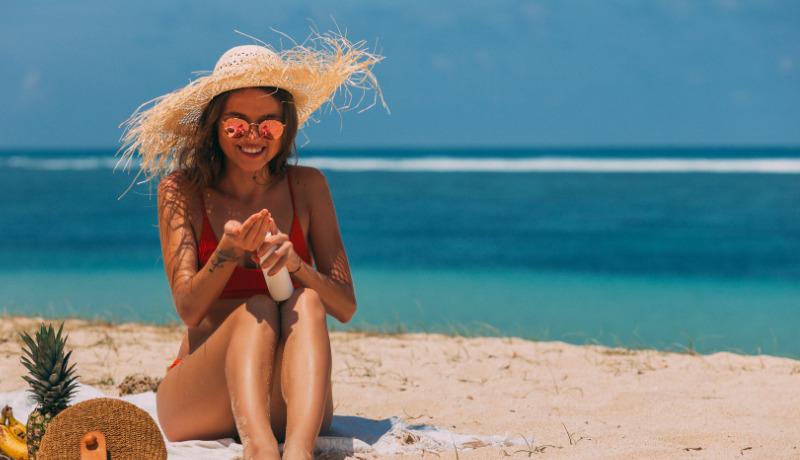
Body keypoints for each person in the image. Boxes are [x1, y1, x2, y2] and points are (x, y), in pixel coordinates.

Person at [119, 33, 384, 460]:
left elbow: (345, 307)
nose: (253, 136)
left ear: (285, 127)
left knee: (310, 303)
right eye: (237, 124)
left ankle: (298, 451)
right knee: (258, 307)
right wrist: (226, 251)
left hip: (286, 397)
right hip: (199, 399)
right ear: (214, 125)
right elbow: (188, 308)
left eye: (269, 124)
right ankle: (259, 450)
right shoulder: (180, 191)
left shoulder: (308, 187)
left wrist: (297, 265)